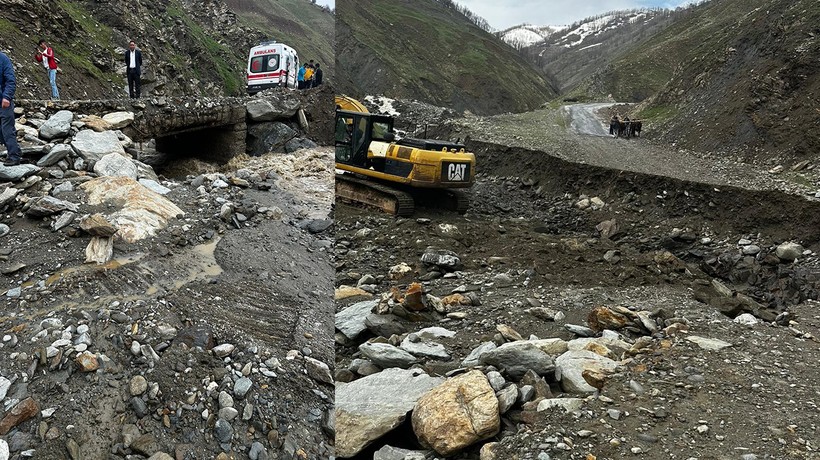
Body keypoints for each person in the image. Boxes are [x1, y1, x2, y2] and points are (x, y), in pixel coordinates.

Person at [0, 51, 23, 166]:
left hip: (4, 102)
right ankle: (16, 151)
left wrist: (7, 97)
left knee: (7, 129)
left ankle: (14, 156)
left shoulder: (3, 59)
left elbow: (11, 80)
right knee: (2, 131)